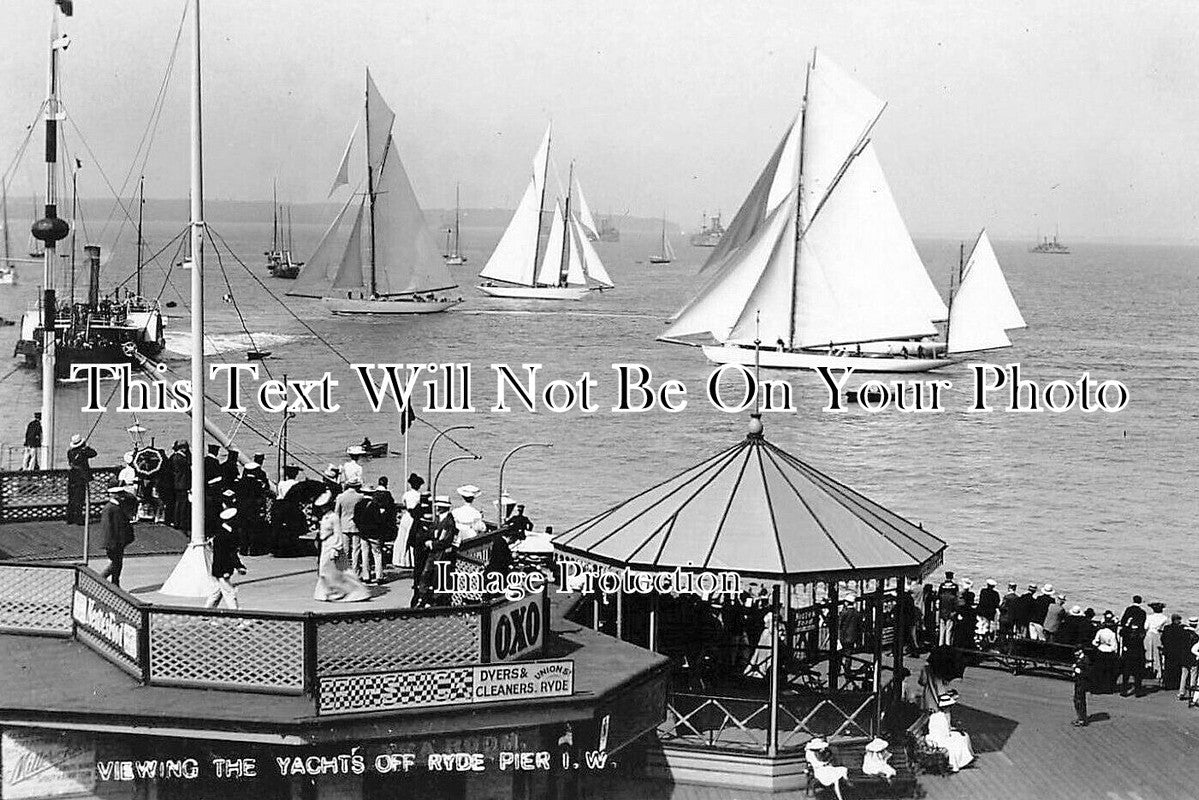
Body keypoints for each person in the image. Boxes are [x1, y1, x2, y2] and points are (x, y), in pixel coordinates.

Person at [313, 491, 370, 602]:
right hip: (325, 545)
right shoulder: (325, 517)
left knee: (336, 570)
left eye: (324, 506)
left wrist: (336, 548)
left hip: (332, 546)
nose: (322, 509)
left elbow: (338, 533)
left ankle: (350, 591)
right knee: (325, 570)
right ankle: (326, 592)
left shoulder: (334, 517)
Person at [205, 508, 245, 610]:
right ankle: (237, 617)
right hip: (222, 570)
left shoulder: (226, 533)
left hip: (221, 570)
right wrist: (226, 571)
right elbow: (223, 555)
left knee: (216, 593)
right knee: (230, 593)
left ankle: (206, 613)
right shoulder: (223, 536)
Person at [98, 483, 136, 587]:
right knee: (116, 563)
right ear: (113, 495)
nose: (122, 496)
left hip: (119, 541)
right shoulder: (109, 508)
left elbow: (131, 498)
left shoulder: (117, 506)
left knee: (118, 563)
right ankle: (101, 579)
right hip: (113, 542)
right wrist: (110, 543)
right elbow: (108, 528)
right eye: (119, 494)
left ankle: (115, 583)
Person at [926, 692, 975, 772]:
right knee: (958, 740)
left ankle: (964, 759)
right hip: (939, 739)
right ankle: (957, 762)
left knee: (961, 737)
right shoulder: (942, 717)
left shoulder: (936, 715)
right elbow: (945, 732)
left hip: (937, 736)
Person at [333, 478, 367, 579]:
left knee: (345, 550)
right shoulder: (360, 497)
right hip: (356, 525)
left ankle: (344, 571)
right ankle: (355, 571)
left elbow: (337, 512)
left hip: (344, 525)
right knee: (356, 550)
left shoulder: (340, 497)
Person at [353, 486, 387, 585]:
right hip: (374, 533)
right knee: (377, 554)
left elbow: (355, 518)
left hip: (363, 533)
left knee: (365, 554)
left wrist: (360, 527)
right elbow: (378, 520)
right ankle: (379, 576)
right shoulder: (375, 505)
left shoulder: (359, 504)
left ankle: (366, 576)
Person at [392, 473, 424, 569]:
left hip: (407, 516)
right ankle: (412, 561)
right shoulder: (419, 496)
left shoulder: (406, 494)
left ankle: (401, 559)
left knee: (402, 537)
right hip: (415, 517)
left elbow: (404, 503)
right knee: (413, 537)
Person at [65, 434, 97, 525]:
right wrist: (87, 448)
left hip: (72, 475)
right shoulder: (83, 452)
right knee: (79, 498)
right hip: (81, 476)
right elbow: (94, 453)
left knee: (71, 498)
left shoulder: (70, 452)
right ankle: (79, 519)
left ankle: (69, 518)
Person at [1160, 613, 1191, 691]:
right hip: (1179, 651)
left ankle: (1168, 684)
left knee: (1169, 668)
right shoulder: (1182, 629)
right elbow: (1186, 640)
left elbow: (1163, 639)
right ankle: (1177, 684)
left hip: (1169, 651)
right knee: (1177, 668)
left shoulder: (1167, 628)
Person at [1091, 616, 1120, 694]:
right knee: (1108, 672)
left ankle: (1097, 688)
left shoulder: (1100, 631)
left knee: (1098, 671)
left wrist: (1098, 646)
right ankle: (1107, 688)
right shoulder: (1112, 634)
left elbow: (1095, 641)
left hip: (1100, 651)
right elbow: (1114, 646)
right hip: (1109, 653)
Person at [1120, 622, 1146, 697]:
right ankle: (1138, 691)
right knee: (1137, 674)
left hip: (1128, 654)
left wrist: (1126, 625)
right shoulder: (1140, 633)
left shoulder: (1126, 632)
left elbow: (1121, 632)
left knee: (1126, 673)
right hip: (1138, 655)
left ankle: (1124, 690)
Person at [1145, 602, 1169, 680]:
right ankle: (1158, 672)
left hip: (1149, 634)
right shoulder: (1165, 618)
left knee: (1148, 652)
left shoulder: (1149, 617)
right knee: (1158, 654)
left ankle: (1148, 670)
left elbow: (1146, 627)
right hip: (1158, 635)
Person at [169, 442, 190, 529]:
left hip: (177, 483)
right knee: (182, 504)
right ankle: (180, 522)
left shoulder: (174, 457)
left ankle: (177, 521)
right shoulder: (181, 458)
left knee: (178, 503)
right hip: (182, 483)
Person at [937, 572, 959, 646]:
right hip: (950, 610)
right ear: (952, 577)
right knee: (949, 630)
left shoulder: (942, 586)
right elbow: (957, 598)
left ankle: (940, 645)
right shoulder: (955, 586)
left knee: (942, 630)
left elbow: (938, 596)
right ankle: (948, 645)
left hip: (942, 610)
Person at [1071, 648, 1092, 727]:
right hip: (1079, 682)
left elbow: (1088, 672)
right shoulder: (1080, 659)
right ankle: (1081, 717)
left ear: (1080, 651)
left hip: (1082, 683)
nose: (1075, 654)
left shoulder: (1085, 660)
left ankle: (1082, 719)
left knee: (1080, 700)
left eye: (1076, 651)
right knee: (1077, 699)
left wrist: (1078, 671)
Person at [1180, 618, 1199, 703]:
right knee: (1193, 675)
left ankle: (1181, 692)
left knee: (1184, 675)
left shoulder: (1183, 634)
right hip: (1192, 658)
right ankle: (1192, 692)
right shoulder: (1196, 636)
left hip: (1184, 657)